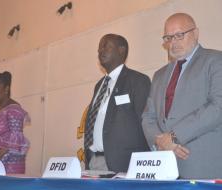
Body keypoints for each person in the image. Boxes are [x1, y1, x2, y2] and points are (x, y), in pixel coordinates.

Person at [142, 13, 222, 179]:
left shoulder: (216, 61)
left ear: (196, 33)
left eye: (179, 35)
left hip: (202, 167)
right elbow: (147, 117)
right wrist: (161, 142)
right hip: (164, 167)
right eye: (168, 37)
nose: (173, 42)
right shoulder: (159, 75)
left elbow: (218, 106)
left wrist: (174, 136)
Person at [84, 33, 151, 173]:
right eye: (99, 49)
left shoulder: (138, 81)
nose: (100, 51)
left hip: (124, 165)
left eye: (105, 46)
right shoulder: (99, 85)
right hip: (94, 162)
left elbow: (147, 122)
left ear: (121, 49)